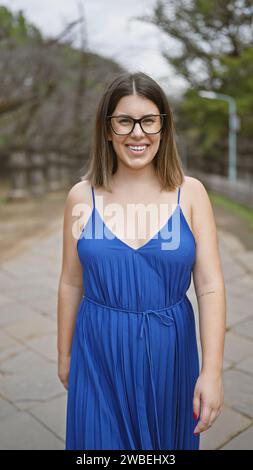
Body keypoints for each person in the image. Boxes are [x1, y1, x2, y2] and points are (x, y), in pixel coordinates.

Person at [57, 71, 226, 450]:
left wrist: (212, 371)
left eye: (149, 120)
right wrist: (64, 353)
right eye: (124, 121)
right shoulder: (81, 198)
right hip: (98, 350)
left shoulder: (191, 193)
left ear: (163, 127)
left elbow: (211, 287)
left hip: (172, 351)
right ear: (107, 129)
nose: (138, 133)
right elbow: (70, 281)